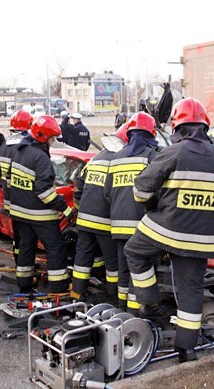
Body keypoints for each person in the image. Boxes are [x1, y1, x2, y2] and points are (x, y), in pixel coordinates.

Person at [124, 98, 214, 363]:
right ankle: (186, 350)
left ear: (179, 128)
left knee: (135, 252)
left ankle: (150, 303)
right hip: (202, 238)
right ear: (204, 126)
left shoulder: (173, 152)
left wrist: (154, 205)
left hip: (166, 228)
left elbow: (141, 190)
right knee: (191, 292)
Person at [9, 115, 73, 293]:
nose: (53, 142)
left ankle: (24, 284)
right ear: (43, 137)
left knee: (26, 247)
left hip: (19, 212)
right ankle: (58, 285)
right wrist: (64, 208)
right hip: (39, 215)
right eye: (52, 138)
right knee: (55, 247)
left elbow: (10, 179)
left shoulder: (20, 151)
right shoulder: (41, 158)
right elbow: (44, 192)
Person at [103, 111, 158, 313]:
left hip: (118, 225)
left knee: (123, 270)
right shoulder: (152, 156)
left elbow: (107, 192)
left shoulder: (116, 157)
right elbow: (158, 192)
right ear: (151, 134)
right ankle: (137, 313)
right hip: (142, 226)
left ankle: (122, 309)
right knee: (141, 270)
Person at [70, 123, 130, 303]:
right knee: (113, 262)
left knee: (82, 257)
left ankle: (77, 294)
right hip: (105, 221)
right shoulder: (119, 161)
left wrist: (82, 211)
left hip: (85, 220)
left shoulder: (96, 159)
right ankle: (113, 296)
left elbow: (78, 187)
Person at [0, 109, 33, 263]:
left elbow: (0, 172)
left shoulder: (5, 144)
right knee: (27, 236)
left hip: (9, 197)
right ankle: (24, 266)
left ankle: (18, 260)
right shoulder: (25, 145)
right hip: (23, 197)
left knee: (17, 234)